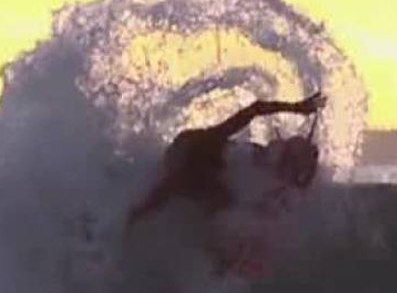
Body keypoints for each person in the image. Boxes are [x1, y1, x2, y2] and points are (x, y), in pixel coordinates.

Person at [125, 93, 325, 231]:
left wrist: (296, 107)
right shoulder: (200, 162)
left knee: (228, 197)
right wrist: (139, 214)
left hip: (200, 159)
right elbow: (255, 109)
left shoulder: (224, 148)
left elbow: (254, 110)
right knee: (221, 199)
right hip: (191, 158)